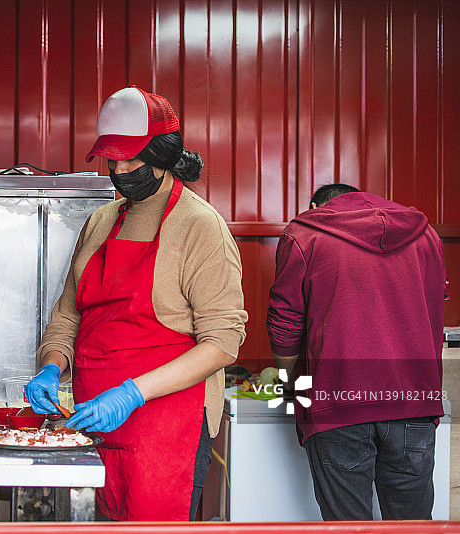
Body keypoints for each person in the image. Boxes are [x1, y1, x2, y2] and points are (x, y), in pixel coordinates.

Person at [25, 86, 247, 521]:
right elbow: (67, 314)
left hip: (167, 423)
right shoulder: (100, 222)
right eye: (114, 159)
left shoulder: (201, 227)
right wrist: (51, 365)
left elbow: (222, 343)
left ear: (163, 154)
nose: (122, 169)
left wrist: (131, 393)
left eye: (133, 158)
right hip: (92, 421)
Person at [267, 183, 448, 521]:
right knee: (413, 529)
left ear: (317, 205)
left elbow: (284, 324)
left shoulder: (307, 234)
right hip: (414, 403)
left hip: (337, 403)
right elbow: (434, 312)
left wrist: (291, 384)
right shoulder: (427, 237)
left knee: (348, 528)